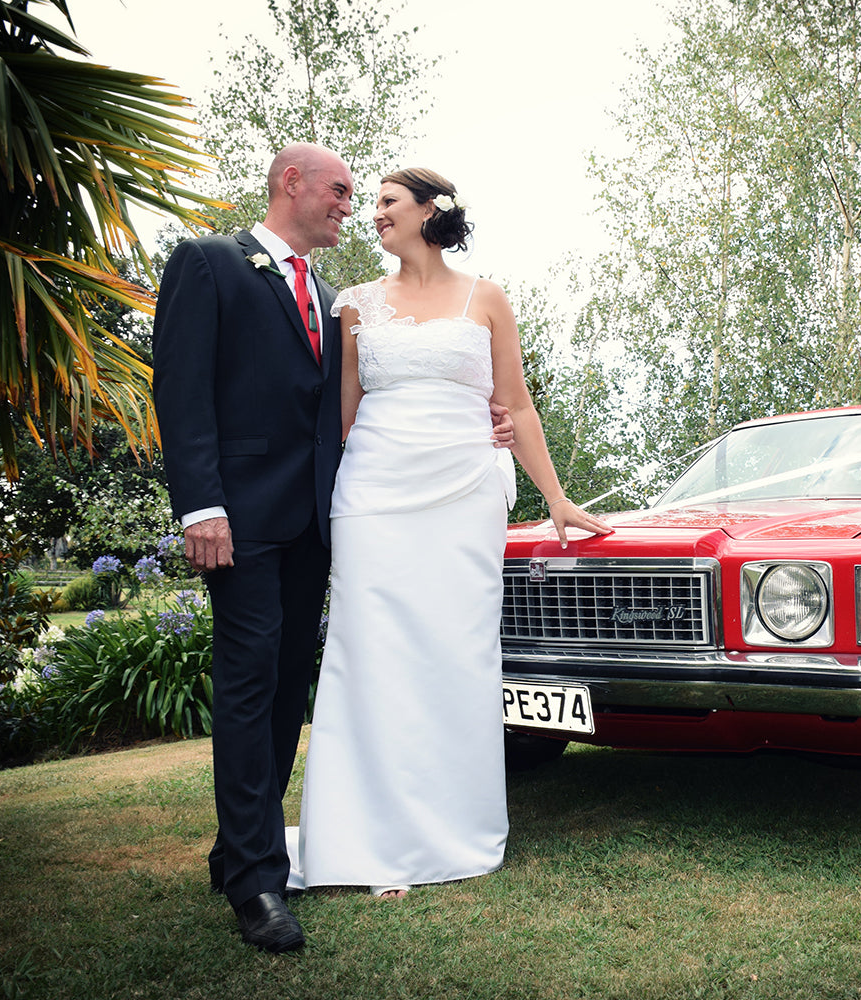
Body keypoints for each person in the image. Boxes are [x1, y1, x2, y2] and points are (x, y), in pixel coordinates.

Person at [153, 145, 513, 952]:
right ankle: (255, 884)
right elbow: (179, 390)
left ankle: (237, 848)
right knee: (249, 681)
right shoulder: (210, 262)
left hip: (319, 520)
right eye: (342, 192)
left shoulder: (327, 294)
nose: (351, 207)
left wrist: (470, 423)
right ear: (293, 184)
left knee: (285, 685)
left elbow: (344, 408)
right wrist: (201, 505)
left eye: (363, 196)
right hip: (238, 521)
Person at [286, 167, 612, 900]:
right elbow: (344, 412)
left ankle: (447, 833)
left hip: (463, 495)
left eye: (387, 203)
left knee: (454, 653)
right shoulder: (356, 306)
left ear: (429, 211)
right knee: (370, 653)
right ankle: (363, 841)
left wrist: (555, 497)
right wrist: (319, 504)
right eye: (368, 204)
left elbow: (516, 406)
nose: (373, 216)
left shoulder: (486, 297)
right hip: (373, 494)